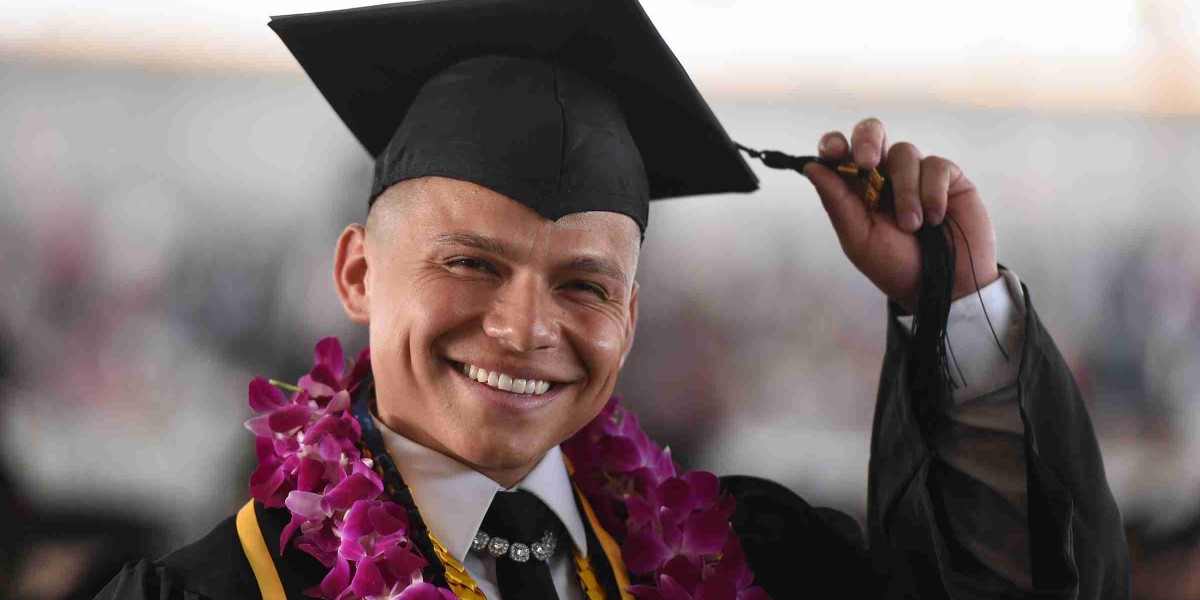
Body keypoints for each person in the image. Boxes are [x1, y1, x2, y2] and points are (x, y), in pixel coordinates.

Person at [97, 0, 1130, 598]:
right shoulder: (219, 592)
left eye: (584, 285)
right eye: (471, 264)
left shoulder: (749, 565)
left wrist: (957, 307)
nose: (525, 326)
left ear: (628, 321)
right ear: (359, 273)